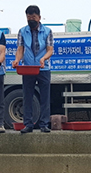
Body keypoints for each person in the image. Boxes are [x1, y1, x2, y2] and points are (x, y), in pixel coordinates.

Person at [12, 5, 54, 133]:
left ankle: (44, 124)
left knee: (45, 97)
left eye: (34, 17)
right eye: (29, 18)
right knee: (27, 96)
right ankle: (28, 124)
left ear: (39, 18)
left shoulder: (47, 31)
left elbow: (50, 50)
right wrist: (17, 60)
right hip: (28, 68)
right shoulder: (22, 31)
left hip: (43, 68)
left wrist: (43, 59)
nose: (31, 20)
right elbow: (20, 49)